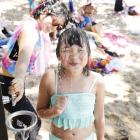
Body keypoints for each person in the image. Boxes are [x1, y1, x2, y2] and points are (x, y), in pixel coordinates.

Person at [0, 1, 68, 139]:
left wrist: (19, 80)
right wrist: (19, 79)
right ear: (45, 12)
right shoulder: (31, 31)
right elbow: (23, 57)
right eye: (54, 22)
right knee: (32, 123)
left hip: (10, 81)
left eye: (58, 27)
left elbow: (16, 54)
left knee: (25, 122)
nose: (54, 28)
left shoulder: (31, 26)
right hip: (8, 84)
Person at [37, 27, 105, 140]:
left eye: (80, 50)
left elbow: (99, 117)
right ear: (58, 55)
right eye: (66, 50)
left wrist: (101, 138)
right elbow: (40, 112)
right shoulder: (49, 78)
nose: (74, 56)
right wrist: (54, 111)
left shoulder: (97, 81)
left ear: (89, 54)